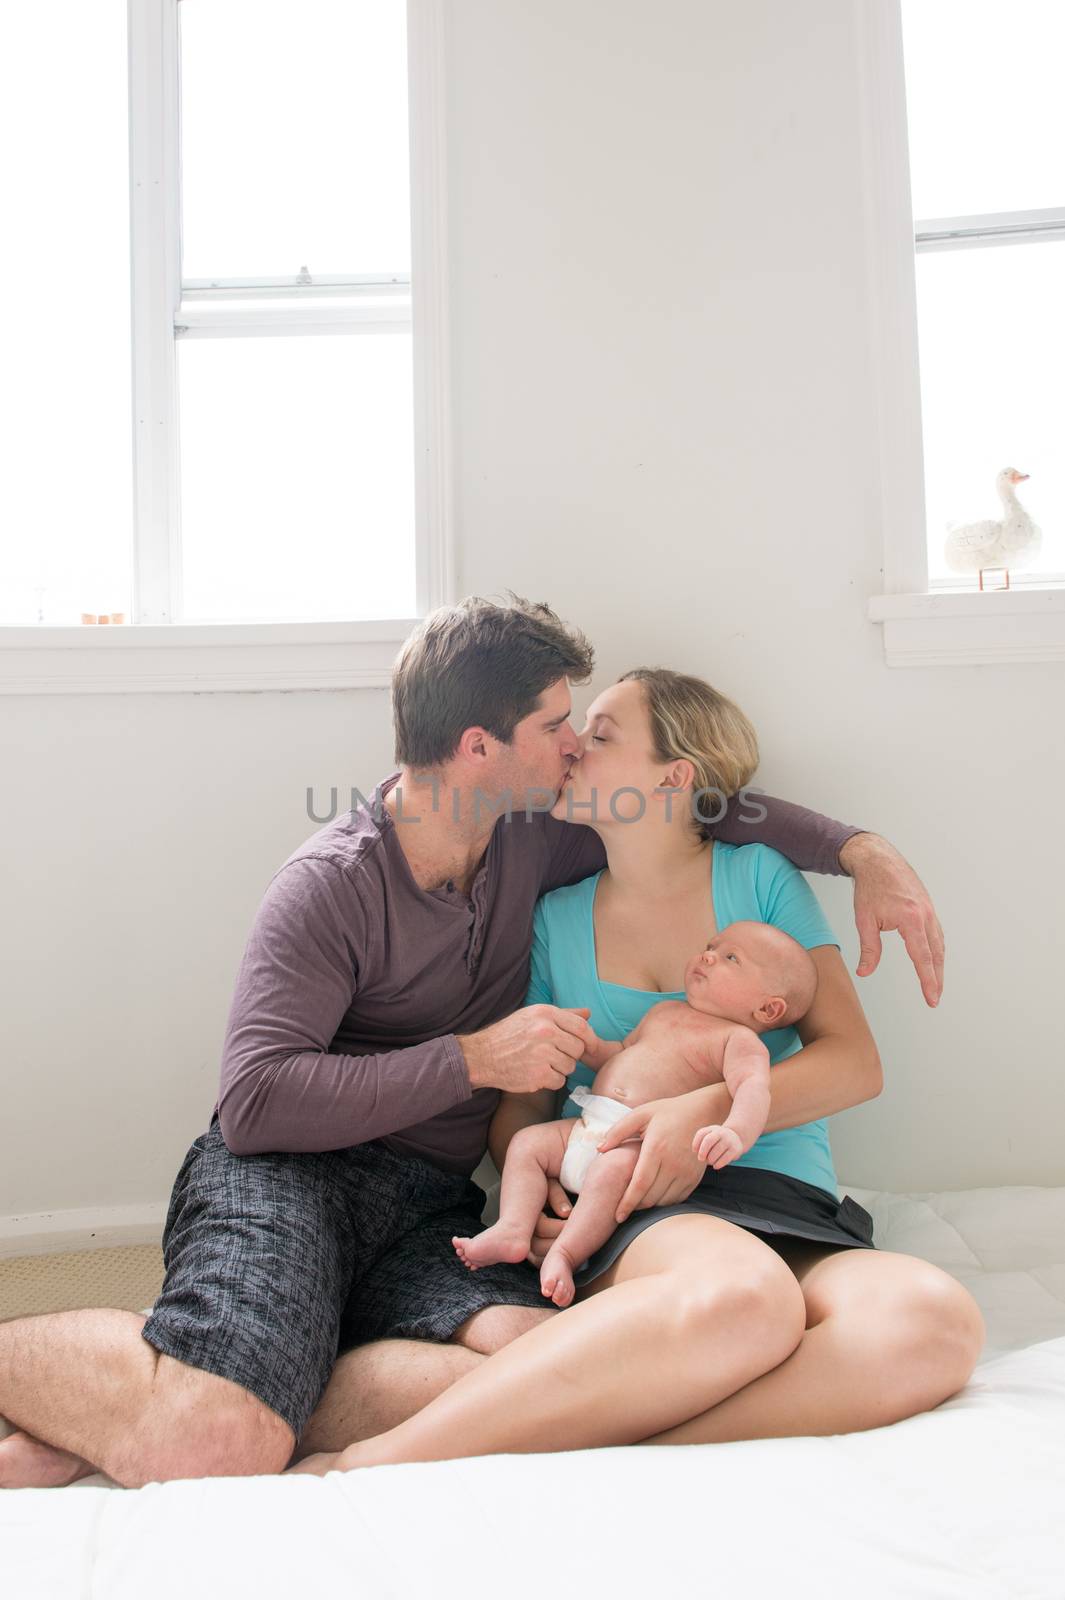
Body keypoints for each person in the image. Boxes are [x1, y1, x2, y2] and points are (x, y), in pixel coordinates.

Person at [0, 597, 964, 1491]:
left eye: (587, 729)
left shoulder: (534, 841)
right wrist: (473, 1064)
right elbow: (254, 1104)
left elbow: (708, 810)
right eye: (557, 728)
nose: (574, 746)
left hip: (431, 1198)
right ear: (477, 747)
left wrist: (857, 849)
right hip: (293, 1174)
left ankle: (233, 1373)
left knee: (541, 1364)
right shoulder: (333, 883)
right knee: (220, 1442)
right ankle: (186, 1383)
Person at [452, 920, 818, 1307]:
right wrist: (590, 1045)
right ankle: (512, 1227)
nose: (708, 955)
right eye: (711, 945)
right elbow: (620, 1053)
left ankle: (566, 1254)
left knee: (610, 1176)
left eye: (731, 958)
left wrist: (736, 1133)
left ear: (767, 1007)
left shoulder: (737, 1042)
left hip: (636, 1144)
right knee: (526, 1143)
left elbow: (752, 1090)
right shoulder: (663, 1012)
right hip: (588, 1122)